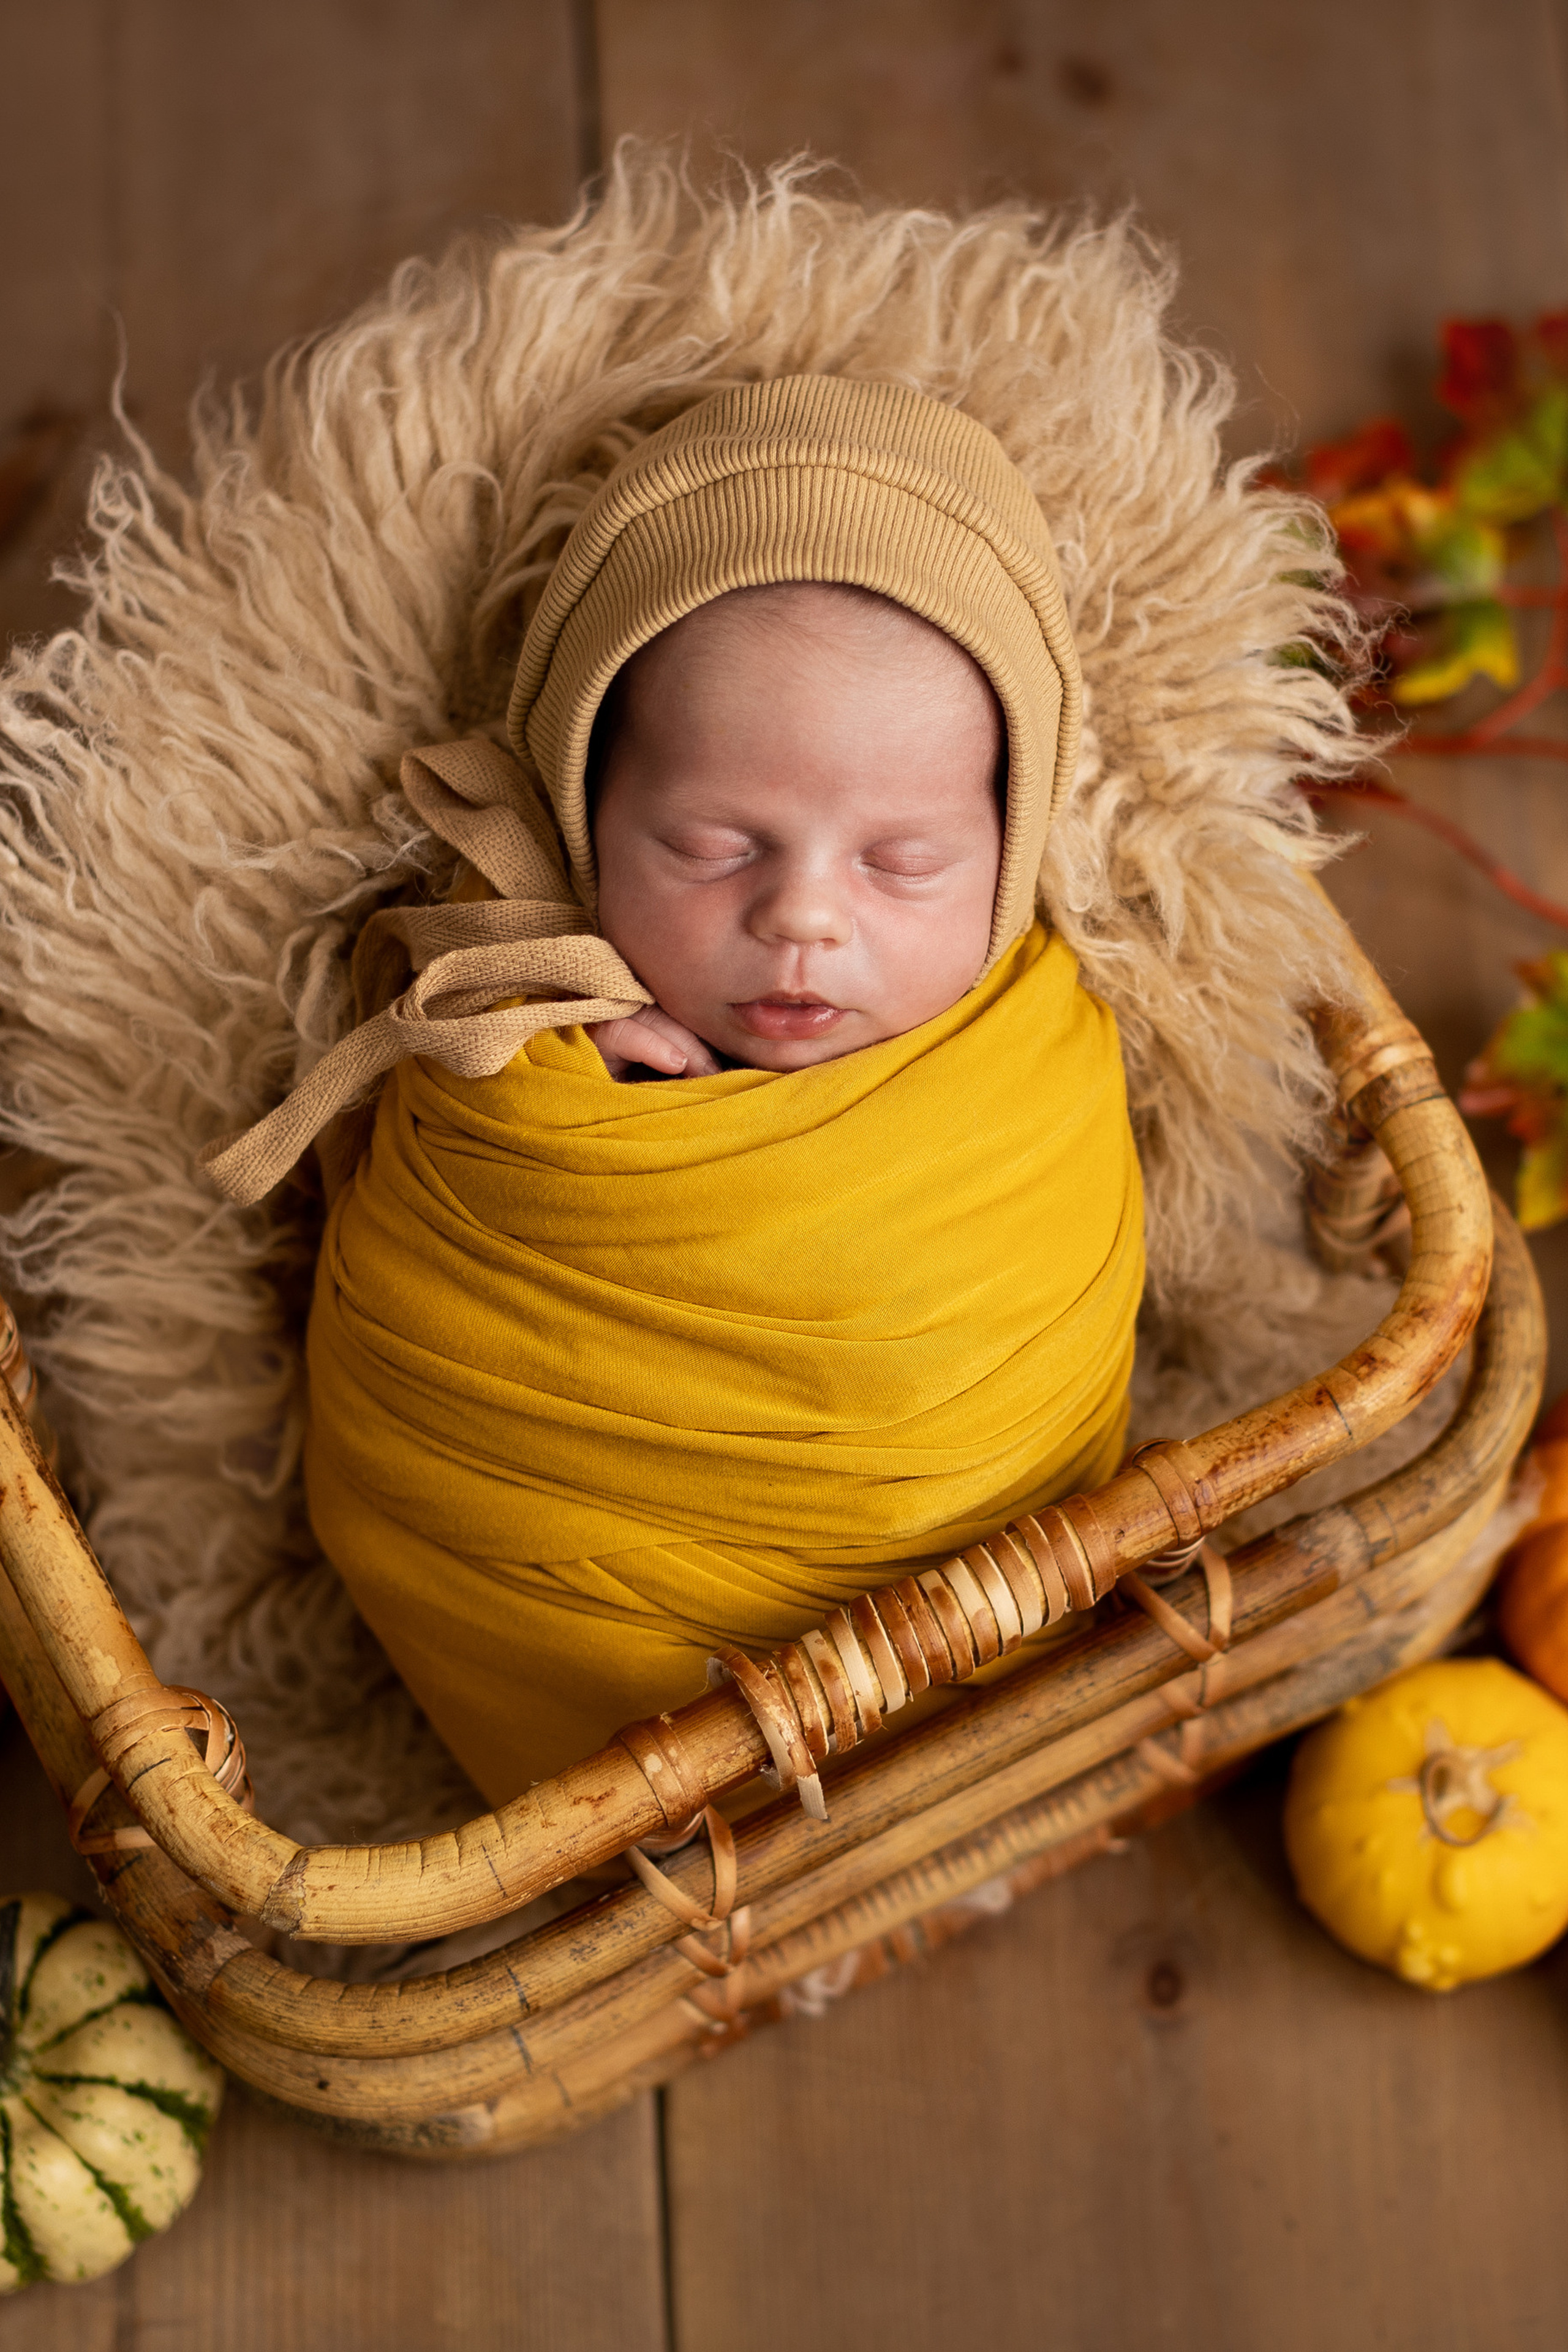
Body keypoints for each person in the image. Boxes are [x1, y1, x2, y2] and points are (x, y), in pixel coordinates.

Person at [203, 375, 1145, 1806]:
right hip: (545, 1640)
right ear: (580, 806)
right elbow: (422, 1302)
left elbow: (1034, 1334)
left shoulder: (1027, 1055)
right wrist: (540, 1067)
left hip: (946, 1624)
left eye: (901, 862)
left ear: (1010, 847)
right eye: (711, 845)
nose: (804, 921)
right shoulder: (506, 995)